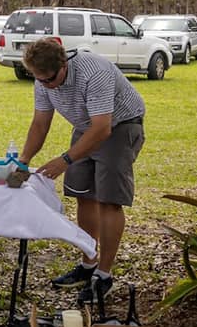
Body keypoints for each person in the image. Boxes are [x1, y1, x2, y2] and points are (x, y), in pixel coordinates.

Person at [19, 38, 145, 305]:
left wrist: (65, 160)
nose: (45, 85)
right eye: (39, 80)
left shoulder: (93, 72)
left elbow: (102, 129)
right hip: (87, 126)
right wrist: (23, 159)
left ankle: (104, 274)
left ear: (63, 65)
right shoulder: (43, 78)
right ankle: (88, 263)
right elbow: (41, 123)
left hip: (120, 126)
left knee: (109, 201)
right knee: (83, 194)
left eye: (49, 80)